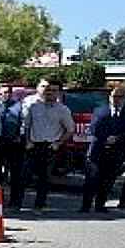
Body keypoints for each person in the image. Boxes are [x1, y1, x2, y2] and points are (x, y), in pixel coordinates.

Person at [20, 78, 75, 210]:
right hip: (33, 145)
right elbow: (27, 125)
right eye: (48, 89)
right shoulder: (34, 106)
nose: (50, 92)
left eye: (54, 90)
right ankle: (17, 203)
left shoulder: (63, 110)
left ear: (59, 93)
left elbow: (70, 130)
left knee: (44, 178)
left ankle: (40, 204)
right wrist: (27, 140)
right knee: (24, 176)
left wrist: (58, 143)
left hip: (49, 147)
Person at [81, 86, 125, 213]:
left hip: (116, 151)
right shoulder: (100, 110)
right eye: (114, 96)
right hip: (98, 149)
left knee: (108, 179)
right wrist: (106, 137)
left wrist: (117, 138)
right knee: (92, 178)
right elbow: (94, 128)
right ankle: (86, 205)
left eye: (120, 97)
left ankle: (100, 204)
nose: (116, 99)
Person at [0, 85, 26, 208]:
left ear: (11, 93)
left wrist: (20, 136)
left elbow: (23, 123)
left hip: (14, 142)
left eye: (7, 92)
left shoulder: (18, 106)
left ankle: (15, 201)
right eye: (2, 93)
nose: (4, 95)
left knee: (15, 173)